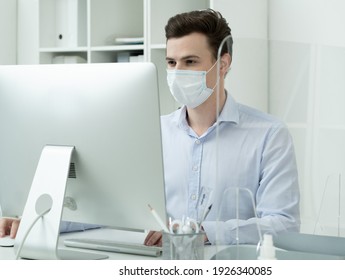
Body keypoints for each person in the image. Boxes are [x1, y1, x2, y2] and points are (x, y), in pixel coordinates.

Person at [0, 9, 300, 246]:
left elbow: (284, 224)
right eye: (171, 62)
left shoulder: (268, 135)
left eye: (190, 61)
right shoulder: (148, 133)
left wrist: (204, 232)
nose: (177, 72)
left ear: (223, 64)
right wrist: (35, 220)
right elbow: (108, 207)